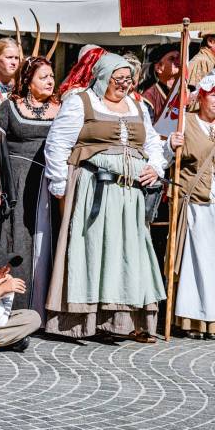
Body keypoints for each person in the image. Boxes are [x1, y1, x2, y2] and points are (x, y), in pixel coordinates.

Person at [44, 53, 166, 341]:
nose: (124, 84)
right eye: (118, 79)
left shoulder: (137, 105)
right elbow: (57, 144)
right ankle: (84, 321)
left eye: (128, 79)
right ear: (102, 77)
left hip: (129, 195)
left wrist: (155, 167)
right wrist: (60, 185)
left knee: (125, 255)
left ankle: (118, 322)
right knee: (92, 251)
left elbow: (152, 142)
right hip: (93, 190)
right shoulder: (81, 102)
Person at [0, 56, 60, 321]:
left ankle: (43, 309)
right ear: (28, 80)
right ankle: (13, 307)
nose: (50, 81)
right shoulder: (10, 107)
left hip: (47, 183)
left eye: (51, 76)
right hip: (16, 183)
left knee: (45, 240)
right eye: (43, 77)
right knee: (17, 239)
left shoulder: (61, 109)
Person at [165, 74, 215, 339]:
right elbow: (162, 157)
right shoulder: (185, 122)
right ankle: (193, 320)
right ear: (203, 96)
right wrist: (170, 145)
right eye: (214, 95)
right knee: (197, 263)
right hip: (195, 202)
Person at [138, 43, 180, 123]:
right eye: (172, 59)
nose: (178, 62)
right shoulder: (149, 97)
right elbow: (148, 127)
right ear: (158, 68)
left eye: (179, 58)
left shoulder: (185, 90)